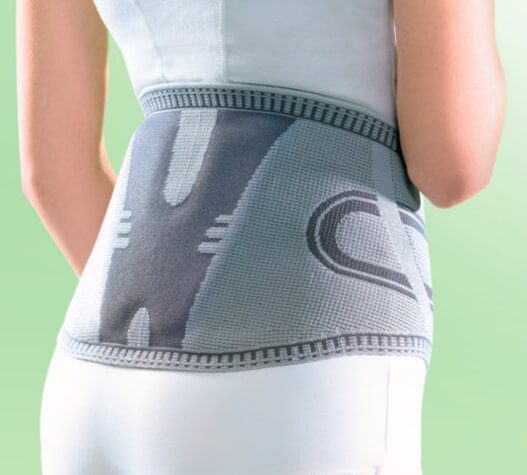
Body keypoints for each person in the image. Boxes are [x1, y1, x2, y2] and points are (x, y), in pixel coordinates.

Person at [16, 1, 506, 474]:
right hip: (308, 372)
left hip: (94, 384)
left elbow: (54, 174)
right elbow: (452, 165)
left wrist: (175, 339)